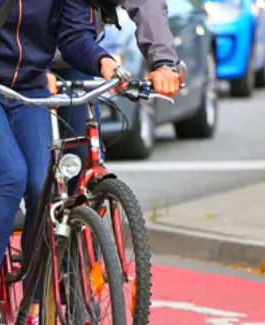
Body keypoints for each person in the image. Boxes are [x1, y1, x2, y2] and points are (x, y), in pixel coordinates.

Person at [0, 0, 125, 325]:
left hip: (29, 91)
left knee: (44, 188)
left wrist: (102, 60)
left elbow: (74, 35)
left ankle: (36, 309)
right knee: (9, 174)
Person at [54, 0, 183, 192]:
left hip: (77, 55)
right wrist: (34, 71)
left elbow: (147, 4)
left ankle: (80, 215)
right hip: (15, 64)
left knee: (84, 155)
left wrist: (164, 63)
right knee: (28, 173)